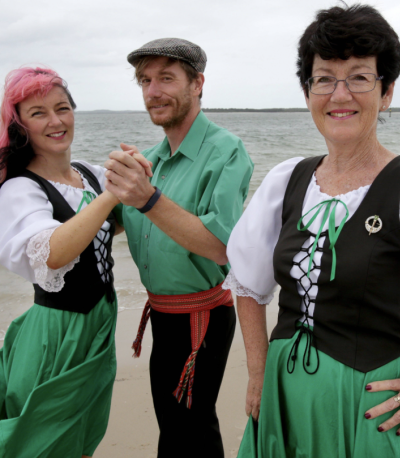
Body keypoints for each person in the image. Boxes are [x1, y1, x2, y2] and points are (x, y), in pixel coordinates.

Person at [224, 5, 400, 457]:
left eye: (359, 77)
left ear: (386, 92)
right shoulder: (286, 180)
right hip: (286, 398)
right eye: (324, 78)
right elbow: (249, 286)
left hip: (369, 409)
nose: (339, 93)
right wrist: (258, 376)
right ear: (309, 92)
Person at [104, 38, 253, 457]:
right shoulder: (151, 158)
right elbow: (109, 222)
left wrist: (147, 198)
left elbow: (221, 247)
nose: (153, 91)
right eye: (145, 80)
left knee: (190, 431)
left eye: (166, 78)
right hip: (163, 314)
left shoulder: (225, 150)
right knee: (175, 428)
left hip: (201, 316)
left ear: (198, 83)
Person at [0, 67, 123, 458]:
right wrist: (112, 196)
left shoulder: (89, 174)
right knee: (44, 442)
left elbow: (110, 226)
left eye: (63, 108)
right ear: (20, 127)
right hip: (57, 332)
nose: (56, 121)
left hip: (101, 324)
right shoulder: (20, 188)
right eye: (38, 113)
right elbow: (52, 252)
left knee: (84, 435)